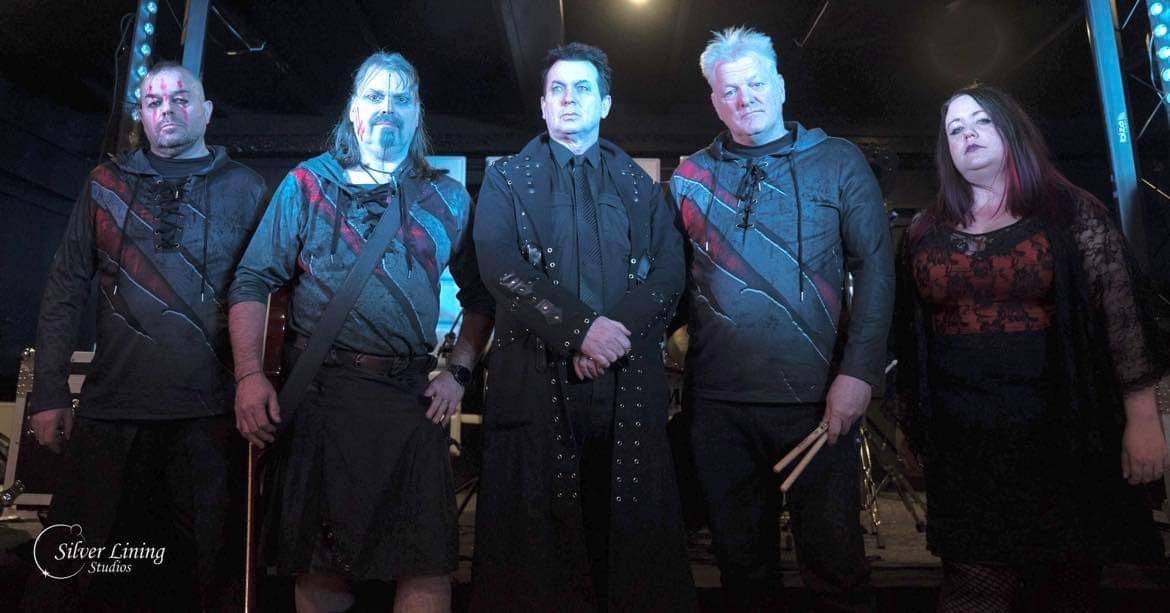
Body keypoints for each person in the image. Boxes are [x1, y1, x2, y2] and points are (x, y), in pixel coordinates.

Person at [227, 52, 493, 612]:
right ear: (353, 111)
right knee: (321, 570)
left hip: (410, 402)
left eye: (401, 99)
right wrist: (249, 375)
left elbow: (481, 299)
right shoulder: (307, 184)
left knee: (427, 564)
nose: (387, 108)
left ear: (417, 114)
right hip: (323, 396)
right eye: (374, 96)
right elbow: (252, 280)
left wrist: (459, 373)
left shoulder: (448, 197)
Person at [893, 84, 1169, 612]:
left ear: (1011, 130)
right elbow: (910, 336)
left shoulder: (1070, 212)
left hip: (1059, 438)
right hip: (964, 444)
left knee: (1062, 588)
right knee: (972, 587)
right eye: (955, 129)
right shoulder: (925, 229)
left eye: (982, 122)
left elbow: (1123, 320)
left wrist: (1143, 422)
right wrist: (911, 425)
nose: (969, 135)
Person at [22, 61, 267, 611]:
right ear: (142, 115)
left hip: (209, 414)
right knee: (75, 574)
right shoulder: (104, 184)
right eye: (153, 101)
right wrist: (49, 392)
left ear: (206, 112)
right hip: (112, 410)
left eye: (181, 99)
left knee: (209, 576)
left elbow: (268, 295)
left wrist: (260, 384)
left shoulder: (246, 189)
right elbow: (64, 287)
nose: (167, 110)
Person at [670, 27, 894, 611]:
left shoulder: (838, 161)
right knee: (742, 574)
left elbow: (876, 270)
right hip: (718, 406)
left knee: (836, 569)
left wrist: (859, 374)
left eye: (756, 84)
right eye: (730, 90)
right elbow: (669, 287)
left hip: (817, 404)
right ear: (715, 102)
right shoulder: (689, 176)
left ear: (780, 86)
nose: (745, 98)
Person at [470, 42, 696, 612]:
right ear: (544, 106)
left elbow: (670, 274)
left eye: (583, 89)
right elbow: (499, 265)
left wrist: (609, 337)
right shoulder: (505, 180)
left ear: (605, 104)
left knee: (626, 552)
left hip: (626, 384)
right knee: (536, 557)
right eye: (558, 89)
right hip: (534, 382)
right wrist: (579, 331)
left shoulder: (641, 186)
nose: (570, 99)